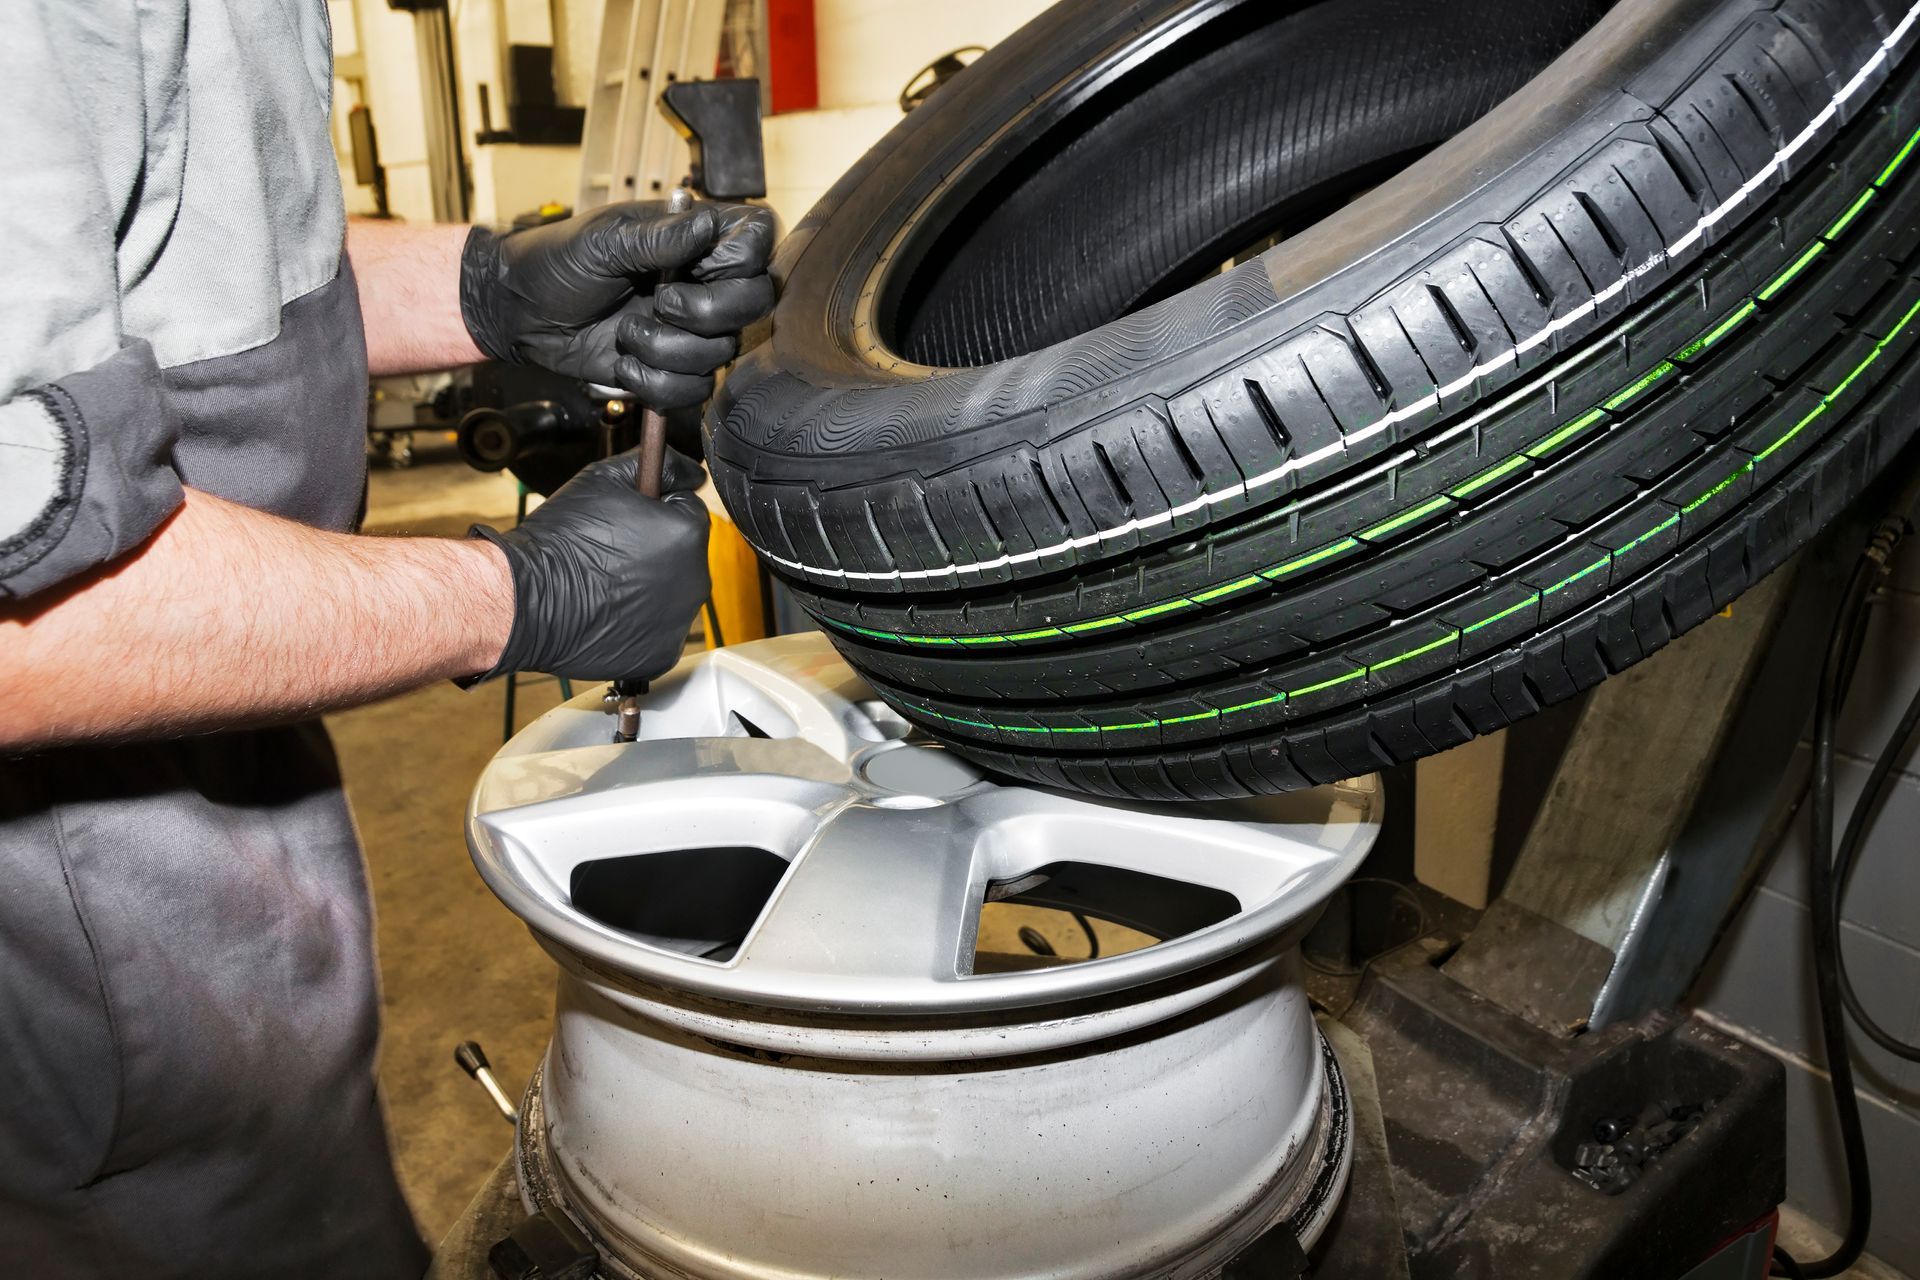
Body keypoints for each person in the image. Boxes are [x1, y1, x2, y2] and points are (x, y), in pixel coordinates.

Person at [0, 4, 776, 1276]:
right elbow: (23, 629)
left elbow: (186, 265)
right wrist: (517, 594)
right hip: (61, 990)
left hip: (213, 832)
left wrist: (491, 285)